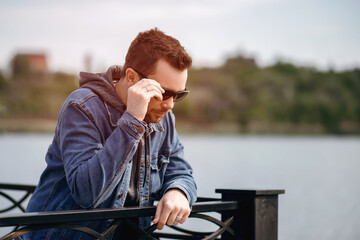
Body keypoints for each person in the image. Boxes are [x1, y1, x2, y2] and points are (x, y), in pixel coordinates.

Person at [23, 28, 197, 240]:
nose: (170, 105)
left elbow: (181, 172)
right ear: (131, 77)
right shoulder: (82, 107)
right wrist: (132, 121)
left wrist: (179, 192)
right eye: (163, 93)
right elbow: (86, 193)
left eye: (179, 95)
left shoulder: (163, 115)